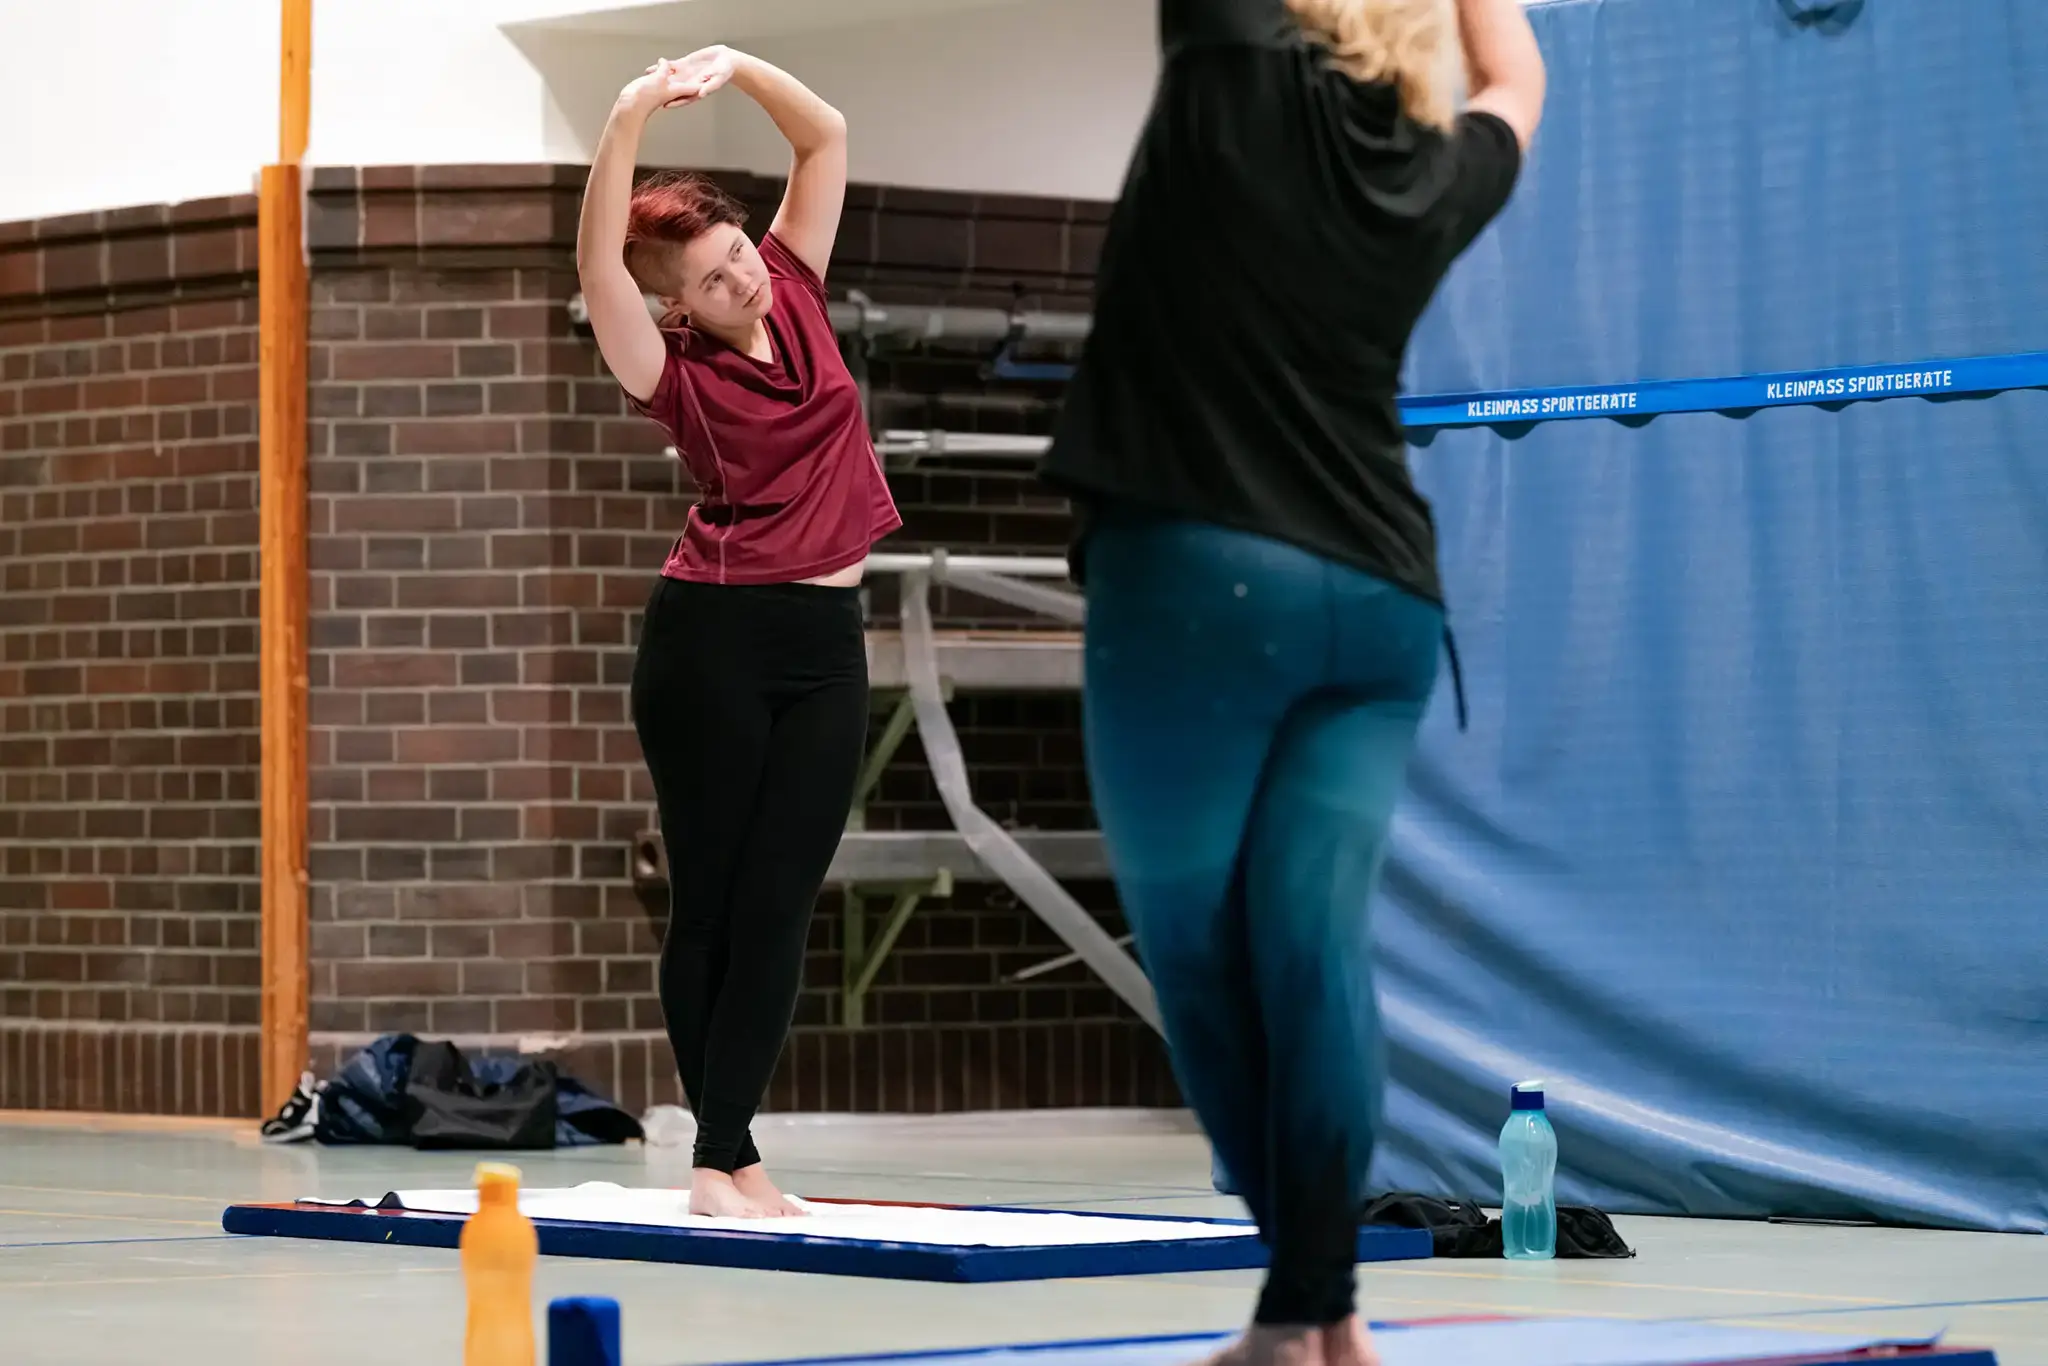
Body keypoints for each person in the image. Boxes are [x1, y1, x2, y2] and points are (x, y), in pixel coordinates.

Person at [1039, 0, 1545, 1362]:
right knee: (1315, 952)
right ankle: (1324, 1315)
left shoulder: (1230, 67)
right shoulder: (1436, 166)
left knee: (1204, 964)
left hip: (1201, 577)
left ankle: (1300, 1308)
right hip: (1378, 601)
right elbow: (1516, 73)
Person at [576, 47, 900, 1219]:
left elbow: (825, 137)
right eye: (713, 281)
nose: (741, 282)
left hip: (826, 639)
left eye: (738, 256)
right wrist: (626, 116)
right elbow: (596, 264)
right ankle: (723, 1157)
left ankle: (727, 1152)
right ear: (676, 309)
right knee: (713, 900)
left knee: (782, 900)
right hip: (711, 645)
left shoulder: (792, 282)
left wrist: (741, 67)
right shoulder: (666, 370)